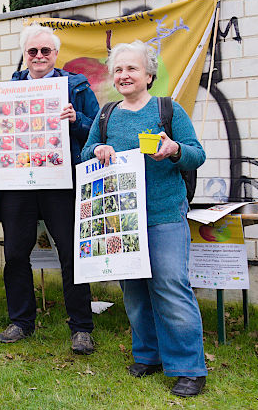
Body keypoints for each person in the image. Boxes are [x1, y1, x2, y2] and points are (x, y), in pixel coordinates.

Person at [81, 40, 207, 397]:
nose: (124, 75)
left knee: (169, 286)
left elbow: (196, 155)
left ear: (149, 75)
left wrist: (174, 150)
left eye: (132, 69)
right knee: (134, 292)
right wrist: (98, 149)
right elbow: (86, 153)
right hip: (122, 220)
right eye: (118, 70)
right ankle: (148, 356)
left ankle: (188, 368)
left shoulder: (169, 111)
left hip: (165, 214)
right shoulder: (107, 115)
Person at [0, 24, 99, 353]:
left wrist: (76, 118)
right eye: (32, 51)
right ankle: (21, 321)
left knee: (70, 252)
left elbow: (96, 131)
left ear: (56, 54)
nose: (38, 57)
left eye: (45, 51)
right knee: (16, 253)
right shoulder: (11, 88)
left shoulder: (74, 86)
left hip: (61, 181)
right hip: (18, 183)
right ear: (25, 54)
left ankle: (81, 326)